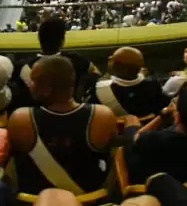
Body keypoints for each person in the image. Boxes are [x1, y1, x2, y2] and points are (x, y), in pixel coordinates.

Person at [9, 55, 117, 195]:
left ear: (46, 89)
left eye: (34, 81)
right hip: (88, 200)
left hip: (36, 200)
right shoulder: (102, 116)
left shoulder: (21, 118)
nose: (30, 85)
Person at [125, 82, 187, 183]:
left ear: (178, 117)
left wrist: (161, 117)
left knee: (131, 120)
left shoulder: (154, 139)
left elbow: (137, 138)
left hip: (159, 189)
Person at [90, 46, 166, 117]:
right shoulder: (153, 85)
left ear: (118, 67)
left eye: (112, 58)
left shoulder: (98, 89)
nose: (110, 58)